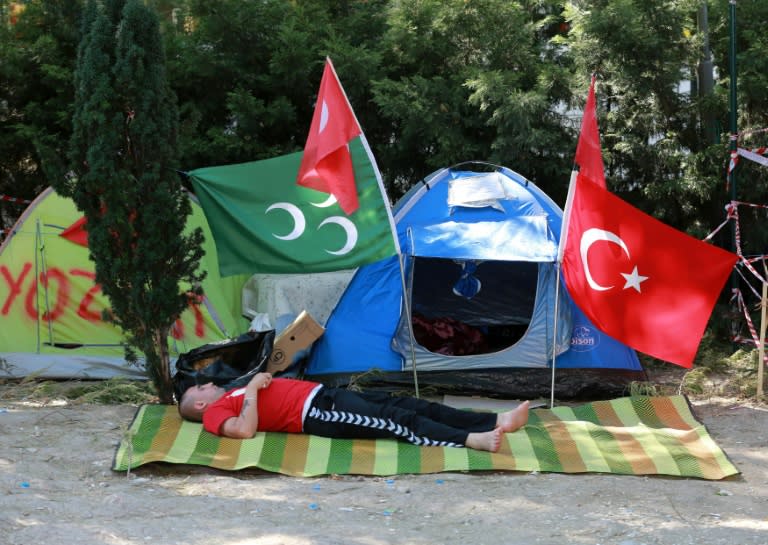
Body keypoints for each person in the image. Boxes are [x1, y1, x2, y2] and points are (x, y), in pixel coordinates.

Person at [178, 372, 530, 452]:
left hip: (324, 395)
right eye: (201, 388)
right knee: (399, 422)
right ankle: (471, 440)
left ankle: (497, 420)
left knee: (408, 404)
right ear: (199, 404)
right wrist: (253, 389)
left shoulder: (230, 392)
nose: (208, 384)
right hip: (317, 414)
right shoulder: (215, 413)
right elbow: (243, 431)